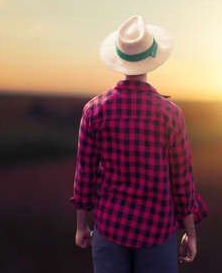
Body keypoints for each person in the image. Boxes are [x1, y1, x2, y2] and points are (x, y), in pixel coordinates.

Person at [69, 15, 209, 273]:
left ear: (120, 59)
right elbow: (181, 179)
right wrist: (191, 232)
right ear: (152, 60)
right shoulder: (171, 114)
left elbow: (85, 174)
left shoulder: (94, 110)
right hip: (158, 230)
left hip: (110, 228)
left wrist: (81, 225)